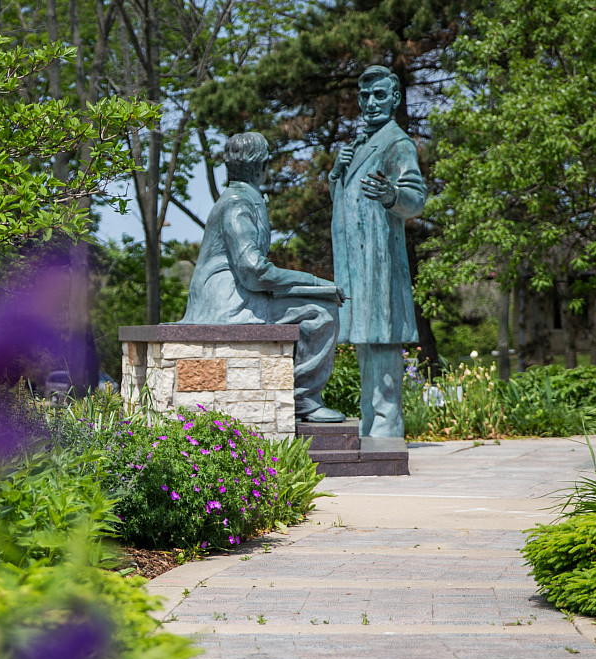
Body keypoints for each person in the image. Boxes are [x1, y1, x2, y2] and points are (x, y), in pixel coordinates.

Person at [179, 131, 345, 422]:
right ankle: (303, 399)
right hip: (230, 306)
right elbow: (254, 271)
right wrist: (318, 284)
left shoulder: (238, 198)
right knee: (323, 312)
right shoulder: (237, 203)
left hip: (237, 297)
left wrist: (313, 286)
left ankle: (300, 397)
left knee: (318, 303)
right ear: (260, 167)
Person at [329, 65, 427, 439]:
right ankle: (371, 422)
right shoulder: (358, 146)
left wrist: (393, 196)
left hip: (380, 264)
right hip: (356, 264)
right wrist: (336, 175)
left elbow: (415, 199)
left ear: (395, 99)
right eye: (365, 96)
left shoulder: (397, 143)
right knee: (365, 342)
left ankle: (387, 426)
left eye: (379, 96)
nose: (371, 104)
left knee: (382, 341)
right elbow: (347, 201)